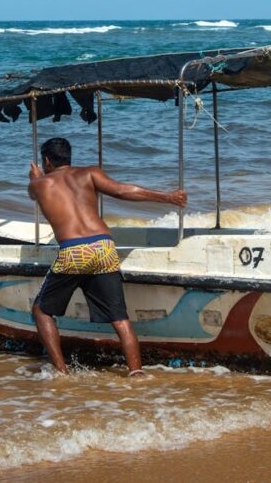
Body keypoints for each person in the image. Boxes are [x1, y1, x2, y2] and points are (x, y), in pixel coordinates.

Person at [27, 137, 188, 375]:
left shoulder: (39, 185)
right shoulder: (90, 173)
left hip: (74, 250)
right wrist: (168, 197)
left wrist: (36, 177)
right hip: (103, 246)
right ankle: (136, 372)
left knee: (41, 310)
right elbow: (123, 191)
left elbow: (36, 192)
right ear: (70, 157)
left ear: (47, 160)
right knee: (120, 319)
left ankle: (61, 372)